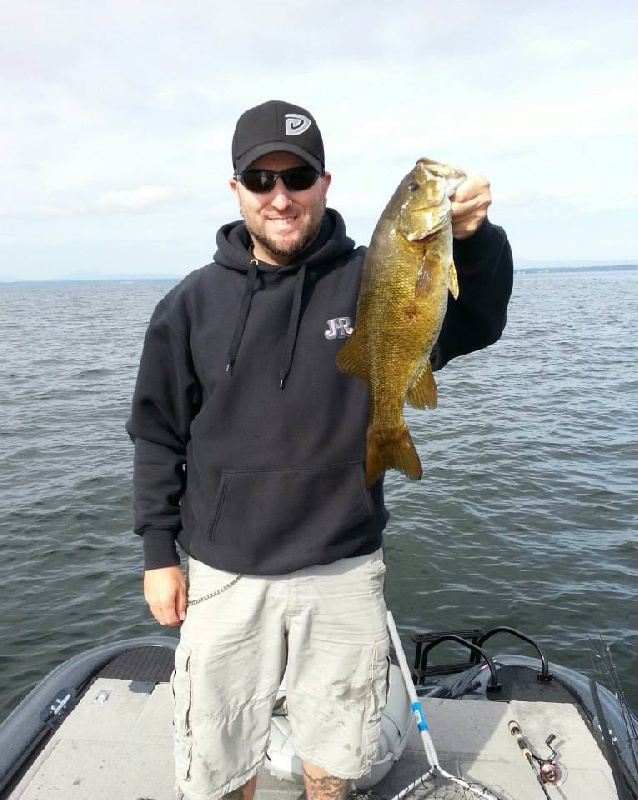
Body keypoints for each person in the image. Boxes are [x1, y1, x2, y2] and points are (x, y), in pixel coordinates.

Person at [126, 99, 513, 800]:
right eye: (262, 179)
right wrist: (159, 553)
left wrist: (475, 239)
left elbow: (478, 322)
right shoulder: (189, 306)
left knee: (336, 756)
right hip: (224, 574)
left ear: (325, 184)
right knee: (219, 762)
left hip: (343, 571)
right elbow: (156, 433)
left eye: (297, 177)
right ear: (237, 189)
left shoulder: (377, 272)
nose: (281, 196)